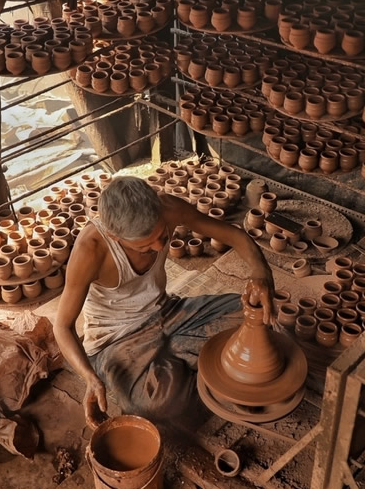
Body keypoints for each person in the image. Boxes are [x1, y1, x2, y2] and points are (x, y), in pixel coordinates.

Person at [53, 175, 275, 428]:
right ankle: (196, 369)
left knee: (255, 314)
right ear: (115, 237)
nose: (160, 247)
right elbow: (62, 327)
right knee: (149, 407)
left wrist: (261, 274)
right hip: (116, 339)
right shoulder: (90, 250)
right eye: (146, 246)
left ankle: (179, 364)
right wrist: (89, 378)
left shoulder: (169, 207)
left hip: (168, 311)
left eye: (162, 235)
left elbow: (234, 236)